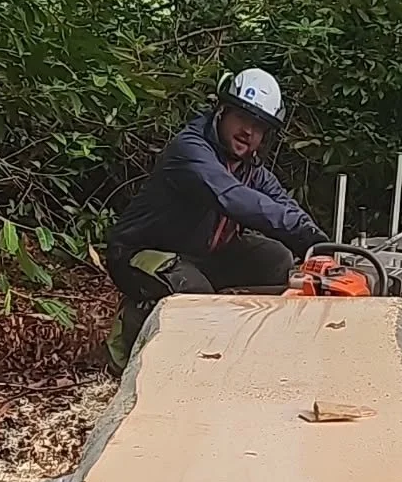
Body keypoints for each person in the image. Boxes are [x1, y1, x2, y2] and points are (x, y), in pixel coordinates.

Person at [104, 68, 329, 373]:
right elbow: (233, 198)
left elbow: (282, 203)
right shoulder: (191, 151)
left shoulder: (250, 168)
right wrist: (304, 234)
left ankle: (244, 349)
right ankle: (135, 343)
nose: (248, 131)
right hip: (142, 254)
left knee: (275, 258)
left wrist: (322, 244)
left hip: (202, 254)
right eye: (242, 118)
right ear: (222, 112)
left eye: (259, 126)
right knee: (194, 294)